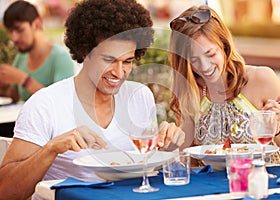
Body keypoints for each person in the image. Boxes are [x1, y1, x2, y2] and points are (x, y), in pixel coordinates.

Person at [0, 0, 184, 199]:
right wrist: (51, 149)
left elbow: (145, 169)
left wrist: (167, 148)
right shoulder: (45, 104)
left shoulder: (139, 97)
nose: (119, 72)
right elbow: (5, 191)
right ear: (84, 51)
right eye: (109, 60)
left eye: (128, 61)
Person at [168, 5, 280, 167]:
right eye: (194, 60)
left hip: (262, 183)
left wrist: (275, 130)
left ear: (224, 45)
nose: (204, 66)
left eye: (210, 54)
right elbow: (190, 162)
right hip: (213, 189)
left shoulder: (261, 79)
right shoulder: (190, 91)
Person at [0, 1, 74, 102]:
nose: (14, 38)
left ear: (37, 24)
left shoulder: (61, 57)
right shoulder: (21, 57)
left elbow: (61, 102)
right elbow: (14, 96)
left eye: (19, 30)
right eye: (11, 32)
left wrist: (25, 80)